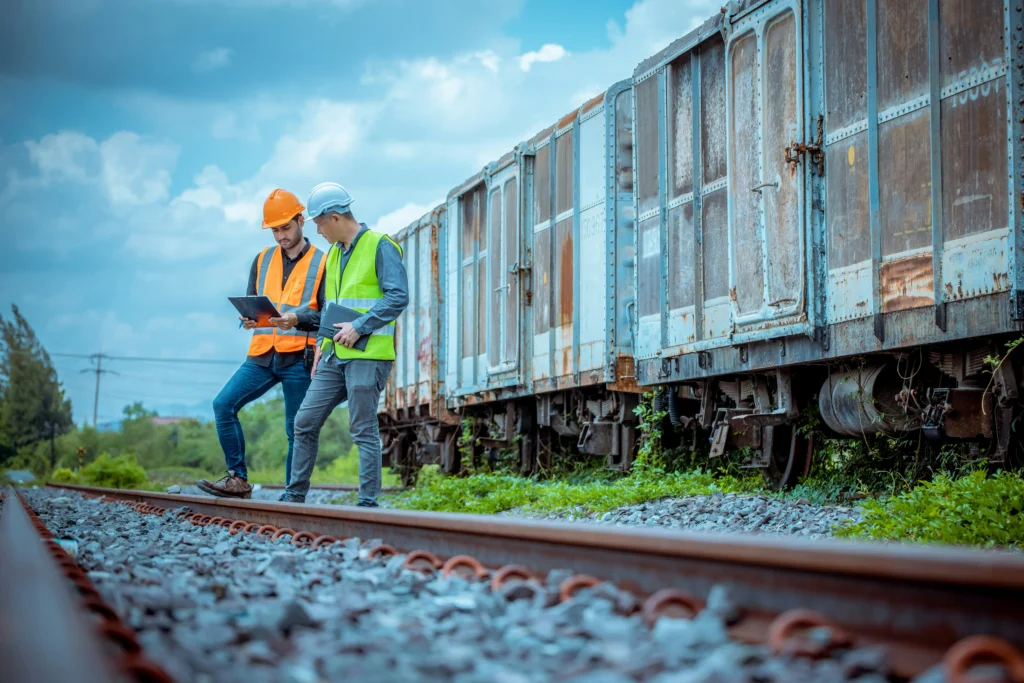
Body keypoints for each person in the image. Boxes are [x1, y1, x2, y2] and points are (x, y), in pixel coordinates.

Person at [280, 182, 408, 506]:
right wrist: (322, 341)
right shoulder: (334, 255)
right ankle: (294, 496)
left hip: (369, 355)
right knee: (304, 421)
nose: (318, 231)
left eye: (319, 223)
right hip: (334, 355)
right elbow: (330, 305)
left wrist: (359, 326)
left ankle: (367, 504)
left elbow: (398, 296)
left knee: (362, 428)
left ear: (334, 217)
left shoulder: (381, 245)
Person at [197, 189, 327, 499]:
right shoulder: (262, 259)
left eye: (286, 228)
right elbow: (254, 301)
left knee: (297, 429)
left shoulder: (324, 262)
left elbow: (326, 316)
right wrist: (249, 319)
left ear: (300, 221)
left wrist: (297, 319)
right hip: (261, 355)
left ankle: (292, 496)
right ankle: (237, 479)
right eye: (275, 230)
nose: (280, 236)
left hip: (299, 357)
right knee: (223, 405)